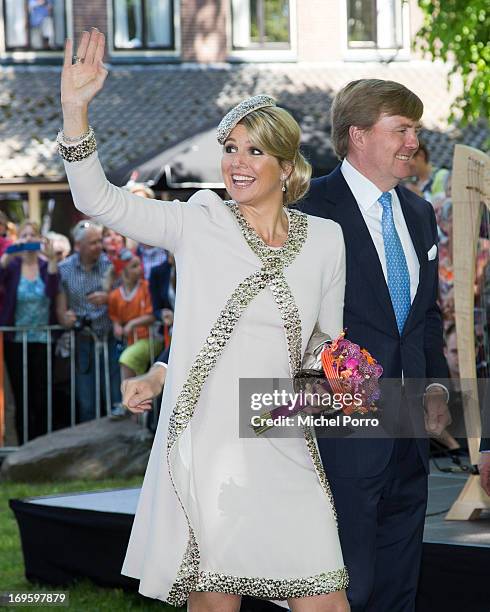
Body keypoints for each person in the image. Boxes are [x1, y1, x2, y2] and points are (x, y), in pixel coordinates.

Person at [58, 29, 349, 611]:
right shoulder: (200, 219)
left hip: (283, 438)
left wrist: (350, 383)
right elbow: (100, 201)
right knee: (216, 603)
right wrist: (75, 110)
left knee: (327, 600)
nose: (236, 163)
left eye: (254, 151)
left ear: (286, 165)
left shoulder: (327, 239)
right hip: (209, 445)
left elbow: (326, 342)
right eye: (231, 147)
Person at [299, 79, 451, 612]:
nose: (414, 141)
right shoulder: (307, 208)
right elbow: (289, 318)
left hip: (410, 433)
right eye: (401, 129)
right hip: (341, 430)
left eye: (415, 128)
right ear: (358, 135)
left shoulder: (418, 214)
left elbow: (425, 317)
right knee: (345, 585)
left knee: (396, 586)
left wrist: (435, 384)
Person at [0, 220, 60, 442]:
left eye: (32, 235)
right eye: (23, 235)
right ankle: (25, 444)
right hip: (16, 339)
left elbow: (53, 293)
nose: (27, 239)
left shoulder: (46, 266)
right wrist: (6, 258)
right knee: (21, 393)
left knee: (41, 392)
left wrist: (53, 261)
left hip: (43, 338)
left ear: (39, 239)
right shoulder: (13, 267)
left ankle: (43, 442)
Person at [57, 219, 122, 421]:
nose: (98, 247)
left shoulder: (110, 264)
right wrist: (66, 318)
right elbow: (61, 311)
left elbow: (125, 296)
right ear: (78, 246)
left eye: (99, 241)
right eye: (92, 243)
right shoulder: (64, 268)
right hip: (82, 341)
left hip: (110, 337)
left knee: (115, 395)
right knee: (87, 400)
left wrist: (108, 298)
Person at [108, 249, 162, 382]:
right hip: (131, 341)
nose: (140, 269)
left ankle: (129, 401)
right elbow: (115, 317)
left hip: (152, 338)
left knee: (127, 359)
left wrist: (132, 324)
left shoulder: (147, 287)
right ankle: (132, 401)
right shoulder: (114, 295)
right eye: (134, 266)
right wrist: (116, 326)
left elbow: (153, 315)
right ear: (122, 271)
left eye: (139, 264)